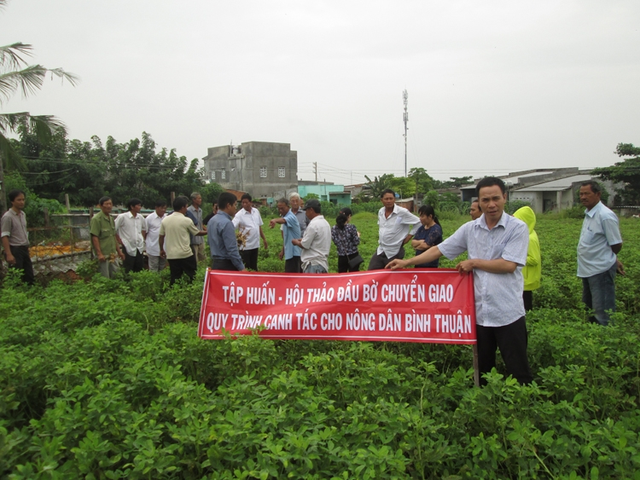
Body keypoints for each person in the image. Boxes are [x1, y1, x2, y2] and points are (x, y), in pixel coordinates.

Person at [387, 177, 532, 386]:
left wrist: (474, 263)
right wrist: (407, 262)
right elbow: (440, 249)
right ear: (479, 202)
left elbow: (509, 265)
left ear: (504, 198)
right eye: (485, 200)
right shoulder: (470, 229)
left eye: (495, 198)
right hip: (480, 312)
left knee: (519, 370)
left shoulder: (517, 228)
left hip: (508, 312)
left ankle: (523, 407)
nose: (491, 204)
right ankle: (486, 407)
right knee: (483, 368)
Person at [577, 180, 623, 326]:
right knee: (589, 308)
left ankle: (606, 340)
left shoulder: (605, 216)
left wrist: (610, 259)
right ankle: (593, 339)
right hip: (588, 270)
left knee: (602, 311)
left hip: (600, 270)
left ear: (598, 194)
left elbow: (616, 244)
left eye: (587, 194)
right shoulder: (589, 213)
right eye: (581, 194)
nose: (583, 197)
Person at [368, 189, 421, 270]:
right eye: (386, 199)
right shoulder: (381, 212)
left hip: (394, 251)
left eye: (391, 198)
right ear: (381, 200)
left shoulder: (402, 212)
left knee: (392, 277)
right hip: (381, 249)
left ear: (394, 199)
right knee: (372, 272)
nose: (389, 201)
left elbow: (418, 222)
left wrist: (409, 237)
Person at [159, 196, 205, 285]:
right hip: (185, 254)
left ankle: (174, 294)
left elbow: (161, 236)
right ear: (183, 207)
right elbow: (197, 233)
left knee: (175, 277)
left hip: (172, 255)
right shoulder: (186, 220)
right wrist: (208, 231)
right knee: (192, 276)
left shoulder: (165, 220)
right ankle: (191, 292)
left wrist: (161, 249)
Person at [1, 189, 34, 285]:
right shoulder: (8, 217)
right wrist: (9, 254)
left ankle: (29, 295)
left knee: (29, 276)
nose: (22, 202)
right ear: (12, 201)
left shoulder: (23, 215)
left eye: (23, 199)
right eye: (19, 200)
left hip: (24, 248)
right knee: (16, 277)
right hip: (15, 249)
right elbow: (4, 236)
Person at [208, 192, 245, 271]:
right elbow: (232, 250)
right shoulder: (227, 223)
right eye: (235, 205)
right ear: (228, 205)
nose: (235, 208)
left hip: (215, 264)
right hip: (226, 265)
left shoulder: (211, 220)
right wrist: (241, 267)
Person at [513, 206, 541, 311]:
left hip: (527, 278)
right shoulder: (528, 234)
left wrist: (517, 258)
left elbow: (534, 259)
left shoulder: (530, 238)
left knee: (526, 304)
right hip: (524, 277)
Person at [292, 199, 331, 273]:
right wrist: (302, 240)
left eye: (306, 210)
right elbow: (315, 240)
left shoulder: (313, 225)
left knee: (311, 285)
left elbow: (305, 245)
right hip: (323, 264)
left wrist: (295, 242)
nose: (305, 213)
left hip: (313, 264)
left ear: (311, 210)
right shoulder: (326, 223)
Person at [90, 196, 124, 279]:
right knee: (104, 277)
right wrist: (99, 254)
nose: (109, 206)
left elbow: (113, 236)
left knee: (116, 275)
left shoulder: (111, 219)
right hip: (104, 254)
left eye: (110, 204)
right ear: (101, 206)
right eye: (106, 204)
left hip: (112, 253)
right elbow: (95, 237)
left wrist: (119, 252)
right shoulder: (96, 219)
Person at [232, 193, 268, 270]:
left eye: (246, 202)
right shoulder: (239, 215)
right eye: (243, 203)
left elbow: (259, 226)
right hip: (245, 247)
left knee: (254, 266)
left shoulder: (256, 212)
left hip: (255, 245)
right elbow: (231, 227)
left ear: (251, 202)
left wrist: (264, 239)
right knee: (246, 267)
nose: (244, 204)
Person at [269, 198, 301, 273]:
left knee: (292, 279)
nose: (280, 210)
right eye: (279, 208)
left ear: (288, 207)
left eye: (282, 208)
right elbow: (287, 237)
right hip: (290, 253)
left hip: (294, 254)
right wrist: (283, 250)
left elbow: (283, 220)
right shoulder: (286, 217)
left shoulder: (291, 217)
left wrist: (275, 220)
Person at [115, 198, 147, 273]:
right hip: (127, 245)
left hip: (138, 247)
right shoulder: (122, 217)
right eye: (138, 205)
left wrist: (141, 238)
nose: (140, 207)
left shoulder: (140, 217)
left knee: (139, 267)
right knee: (128, 267)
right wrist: (119, 239)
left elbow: (144, 228)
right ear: (132, 207)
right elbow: (114, 229)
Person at [331, 207, 361, 273]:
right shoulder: (351, 227)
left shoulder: (334, 229)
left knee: (342, 276)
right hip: (353, 255)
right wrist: (358, 236)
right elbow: (356, 242)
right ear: (349, 216)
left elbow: (336, 242)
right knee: (354, 277)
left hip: (341, 256)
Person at [145, 200, 168, 272]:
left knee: (162, 268)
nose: (163, 210)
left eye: (165, 208)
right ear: (156, 208)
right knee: (153, 268)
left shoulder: (166, 218)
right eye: (162, 208)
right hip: (153, 248)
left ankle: (161, 282)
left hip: (164, 248)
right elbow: (145, 232)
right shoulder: (149, 218)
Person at [187, 192, 207, 262]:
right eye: (199, 198)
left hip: (201, 239)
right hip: (193, 239)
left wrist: (207, 230)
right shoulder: (188, 211)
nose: (200, 200)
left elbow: (200, 223)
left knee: (203, 259)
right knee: (195, 260)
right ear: (194, 200)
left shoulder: (200, 210)